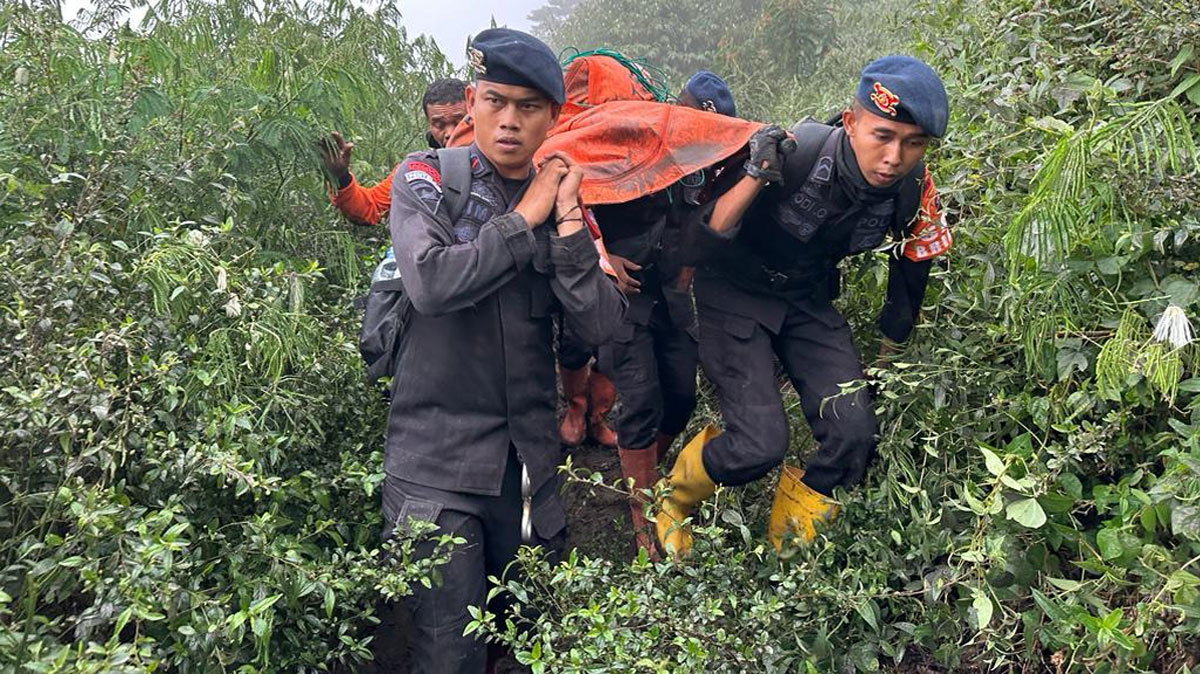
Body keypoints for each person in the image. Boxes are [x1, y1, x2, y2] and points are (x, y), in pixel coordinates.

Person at [381, 28, 625, 673]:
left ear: (554, 116)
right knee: (449, 650)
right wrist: (526, 217)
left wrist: (568, 219)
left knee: (524, 646)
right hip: (435, 467)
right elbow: (431, 283)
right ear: (471, 102)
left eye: (529, 107)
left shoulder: (568, 203)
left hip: (527, 468)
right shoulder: (425, 179)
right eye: (495, 101)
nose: (510, 121)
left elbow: (601, 322)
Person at [655, 55, 952, 555]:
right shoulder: (797, 152)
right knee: (759, 443)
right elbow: (699, 244)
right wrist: (754, 173)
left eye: (913, 143)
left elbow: (910, 275)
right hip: (735, 292)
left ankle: (786, 551)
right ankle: (673, 501)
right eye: (883, 136)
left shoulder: (913, 189)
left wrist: (883, 364)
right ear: (852, 122)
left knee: (855, 433)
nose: (895, 157)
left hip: (807, 297)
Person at [596, 69, 738, 556]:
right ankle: (645, 522)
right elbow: (571, 185)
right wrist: (601, 255)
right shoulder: (627, 139)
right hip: (624, 295)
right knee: (640, 399)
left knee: (679, 396)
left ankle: (644, 476)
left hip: (672, 298)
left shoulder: (709, 166)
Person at [321, 78, 468, 226]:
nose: (449, 132)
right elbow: (371, 208)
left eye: (459, 121)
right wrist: (340, 177)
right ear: (429, 124)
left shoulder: (491, 159)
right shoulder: (418, 170)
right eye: (439, 124)